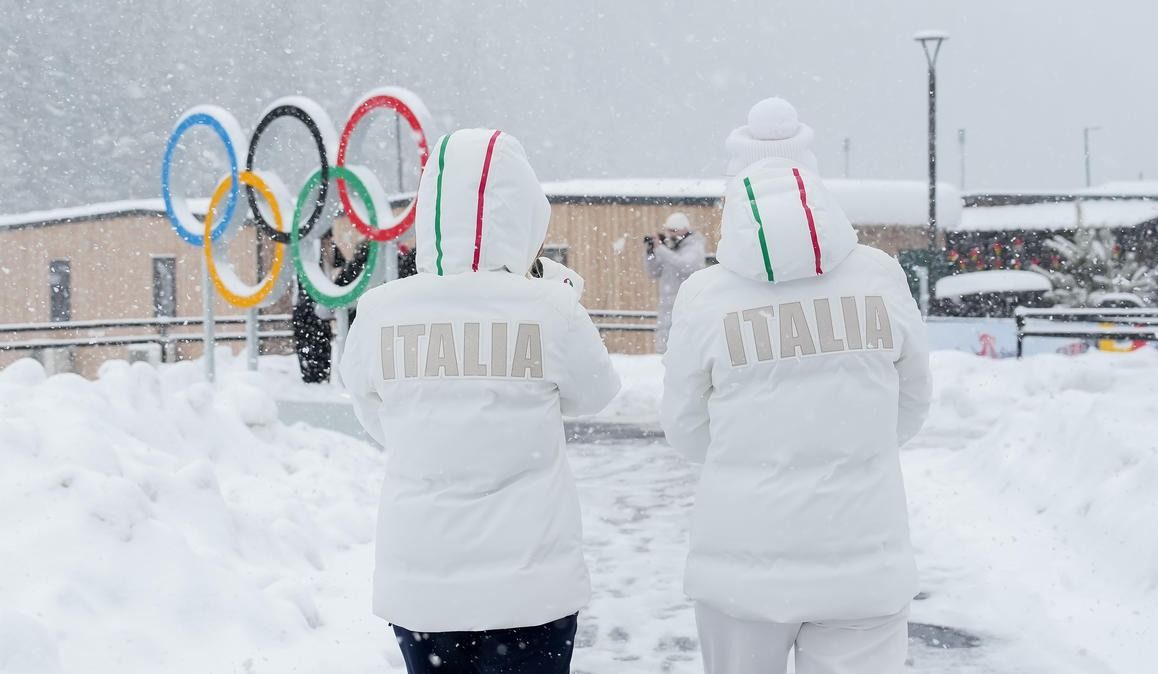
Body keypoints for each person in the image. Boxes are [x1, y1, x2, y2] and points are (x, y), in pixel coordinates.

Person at [660, 97, 933, 674]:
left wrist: (750, 454)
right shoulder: (878, 275)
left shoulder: (706, 296)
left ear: (736, 195)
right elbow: (911, 404)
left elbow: (686, 430)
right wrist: (852, 443)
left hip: (741, 568)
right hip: (865, 560)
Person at [339, 128, 621, 674]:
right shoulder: (548, 308)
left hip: (422, 590)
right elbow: (597, 393)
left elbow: (377, 416)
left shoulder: (379, 312)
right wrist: (558, 291)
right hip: (531, 588)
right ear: (523, 215)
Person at [644, 212, 706, 353]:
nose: (670, 235)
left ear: (684, 229)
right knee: (664, 349)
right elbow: (653, 272)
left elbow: (685, 265)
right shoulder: (669, 250)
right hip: (667, 307)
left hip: (688, 306)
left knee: (685, 348)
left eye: (674, 231)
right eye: (668, 231)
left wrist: (661, 249)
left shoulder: (695, 247)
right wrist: (650, 252)